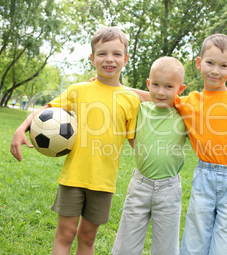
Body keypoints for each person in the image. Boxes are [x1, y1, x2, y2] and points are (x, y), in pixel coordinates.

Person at [10, 27, 140, 255]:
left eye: (117, 54)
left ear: (126, 59)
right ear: (92, 58)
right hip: (73, 177)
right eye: (102, 54)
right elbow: (45, 110)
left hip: (103, 181)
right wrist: (22, 128)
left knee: (87, 237)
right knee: (66, 233)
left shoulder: (131, 99)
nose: (109, 59)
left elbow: (134, 141)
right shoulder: (79, 90)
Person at [134, 34, 227, 255]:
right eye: (210, 63)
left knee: (226, 246)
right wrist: (114, 88)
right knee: (193, 243)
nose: (215, 70)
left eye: (223, 66)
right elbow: (157, 95)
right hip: (204, 177)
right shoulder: (191, 102)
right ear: (199, 62)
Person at [112, 57, 187, 255]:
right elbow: (125, 92)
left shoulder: (184, 113)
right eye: (155, 85)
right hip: (140, 185)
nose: (161, 92)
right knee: (125, 246)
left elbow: (209, 101)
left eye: (169, 86)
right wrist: (113, 85)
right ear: (148, 84)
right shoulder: (141, 109)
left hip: (169, 189)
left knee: (166, 248)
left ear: (180, 89)